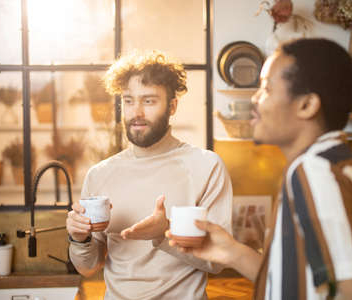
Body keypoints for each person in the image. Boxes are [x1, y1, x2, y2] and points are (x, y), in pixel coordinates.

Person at [168, 38, 352, 300]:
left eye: (266, 88)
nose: (255, 98)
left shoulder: (315, 172)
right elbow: (305, 281)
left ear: (307, 105)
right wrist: (231, 251)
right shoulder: (342, 166)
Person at [66, 50, 232, 300]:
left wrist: (164, 233)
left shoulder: (206, 167)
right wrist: (79, 239)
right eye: (129, 101)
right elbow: (88, 267)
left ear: (172, 106)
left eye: (149, 101)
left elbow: (218, 261)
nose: (136, 113)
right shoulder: (100, 174)